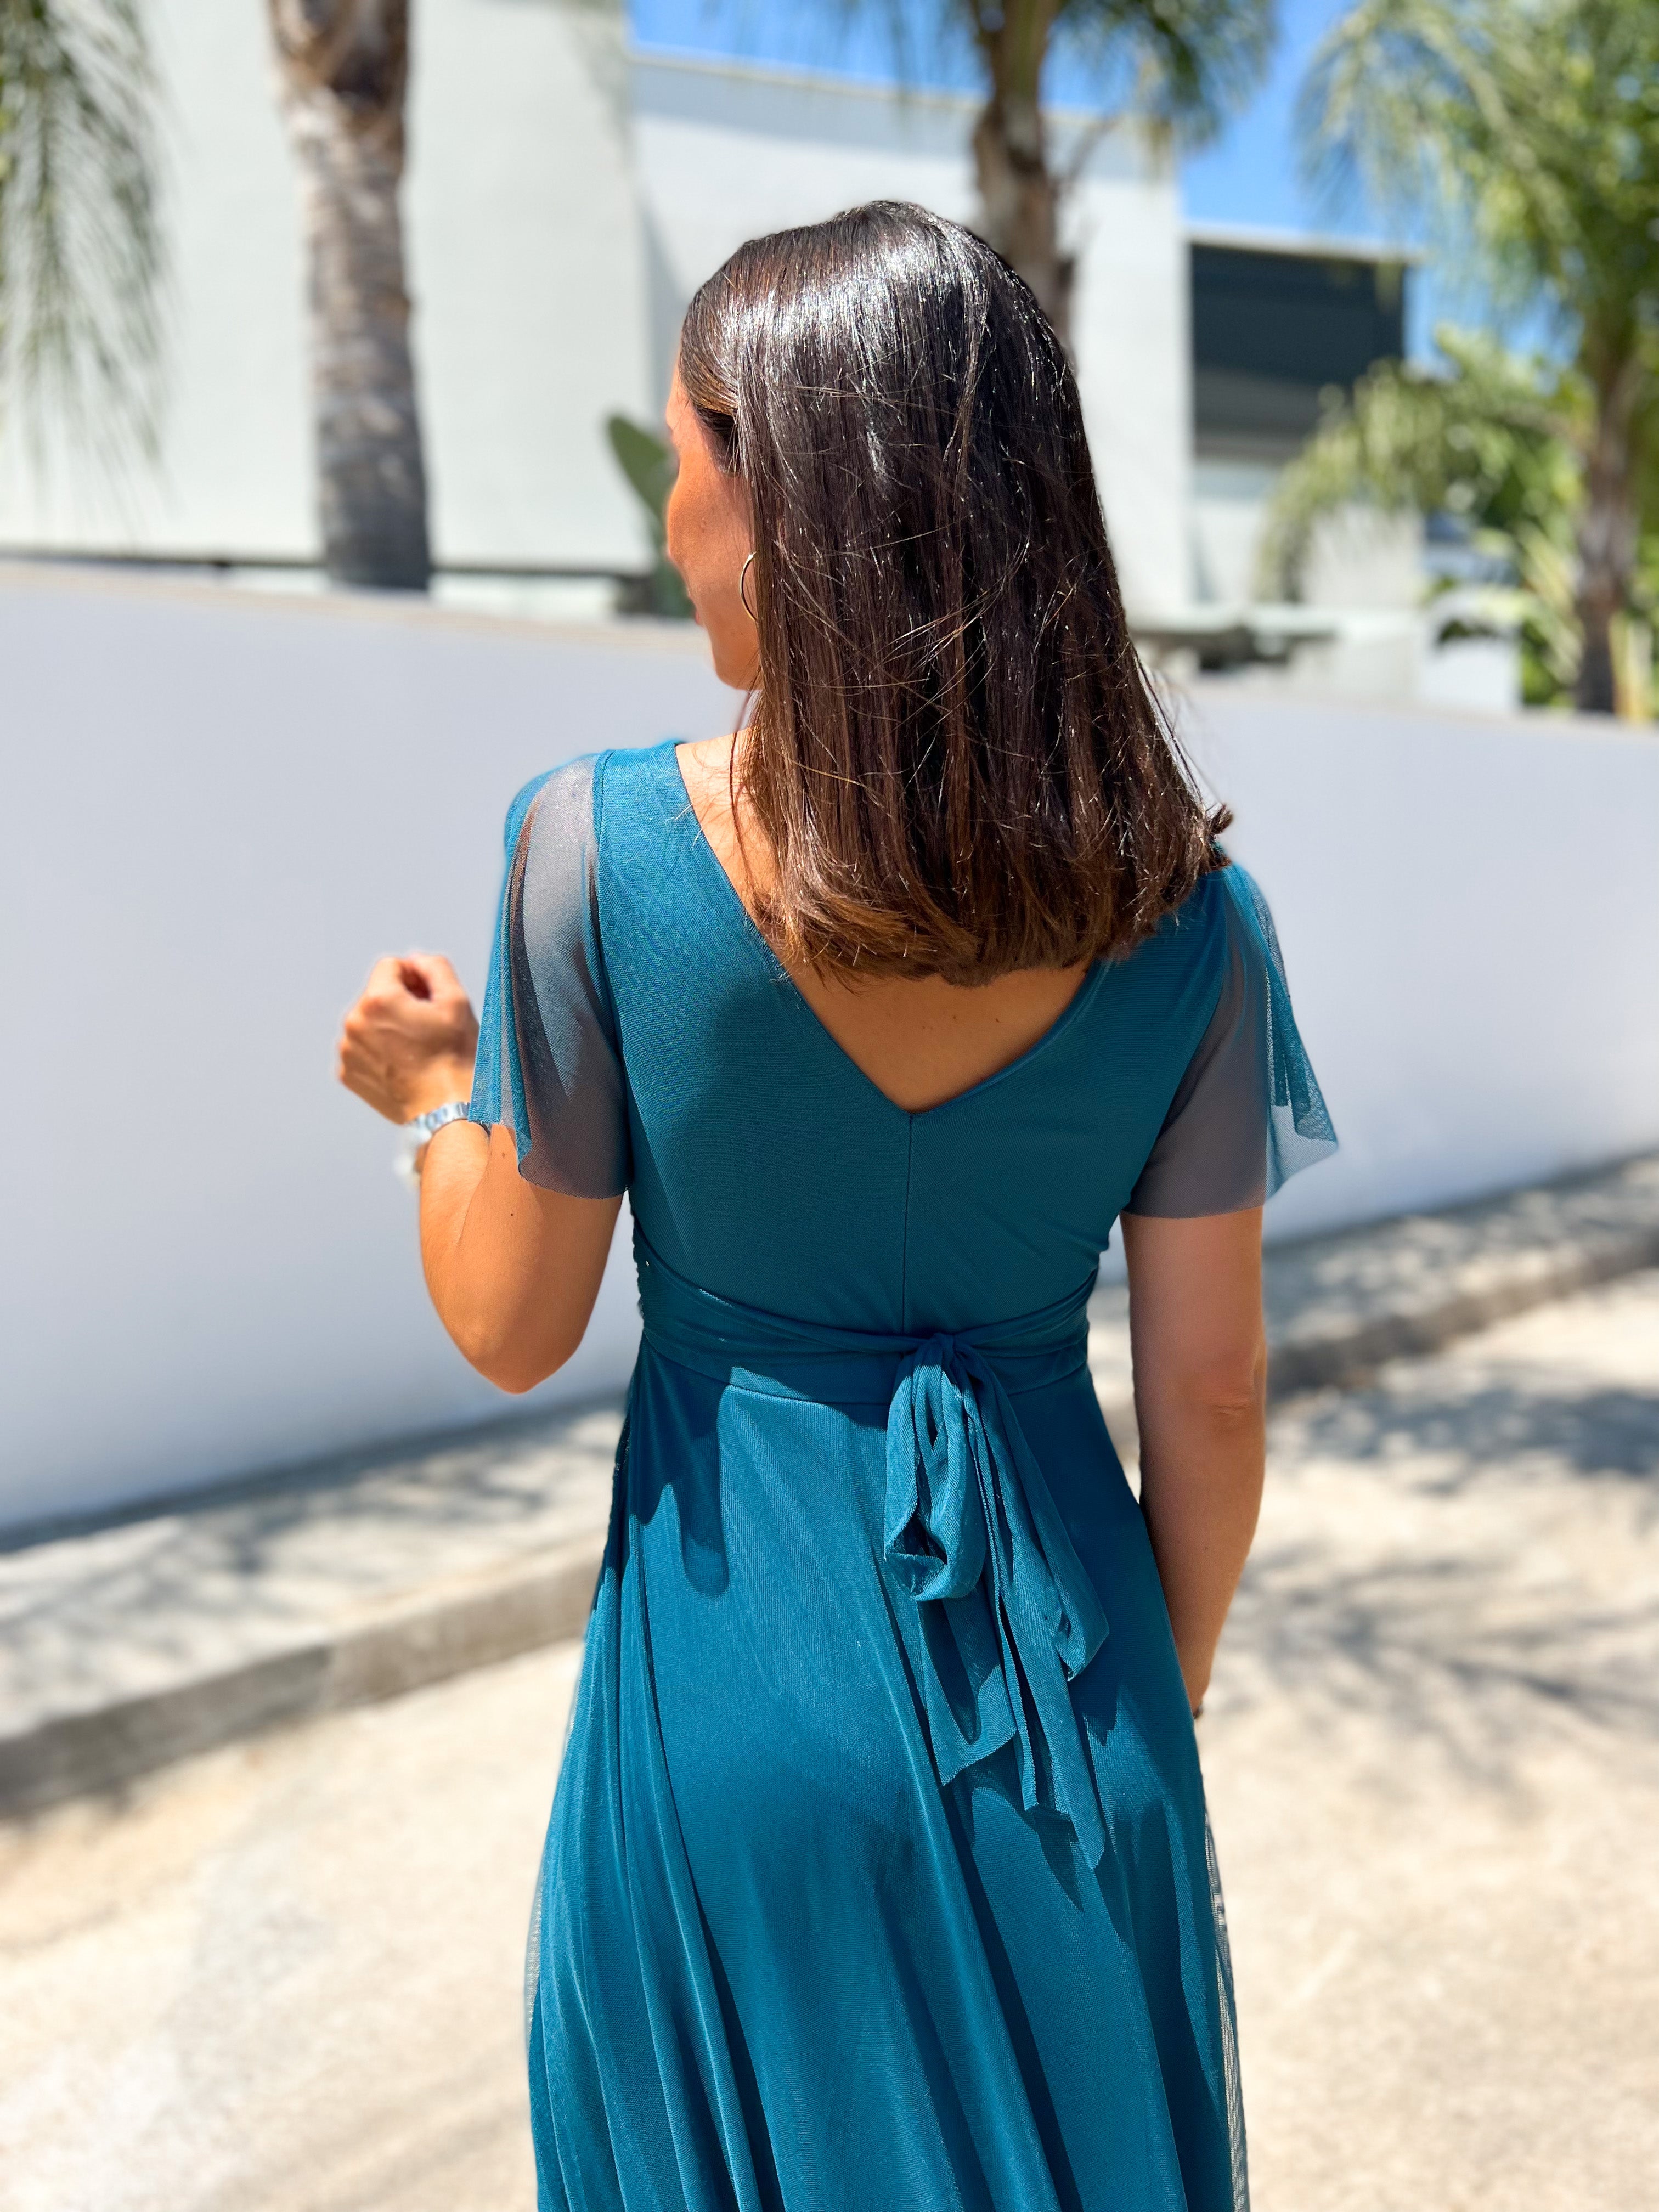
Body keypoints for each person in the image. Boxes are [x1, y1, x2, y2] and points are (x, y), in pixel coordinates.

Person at [337, 201, 1334, 2212]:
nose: (671, 517)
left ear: (779, 489)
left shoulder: (590, 851)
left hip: (729, 1722)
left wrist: (434, 1104)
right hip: (1075, 1715)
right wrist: (1131, 1701)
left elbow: (513, 1320)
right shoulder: (1190, 922)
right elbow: (1212, 1405)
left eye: (688, 455)